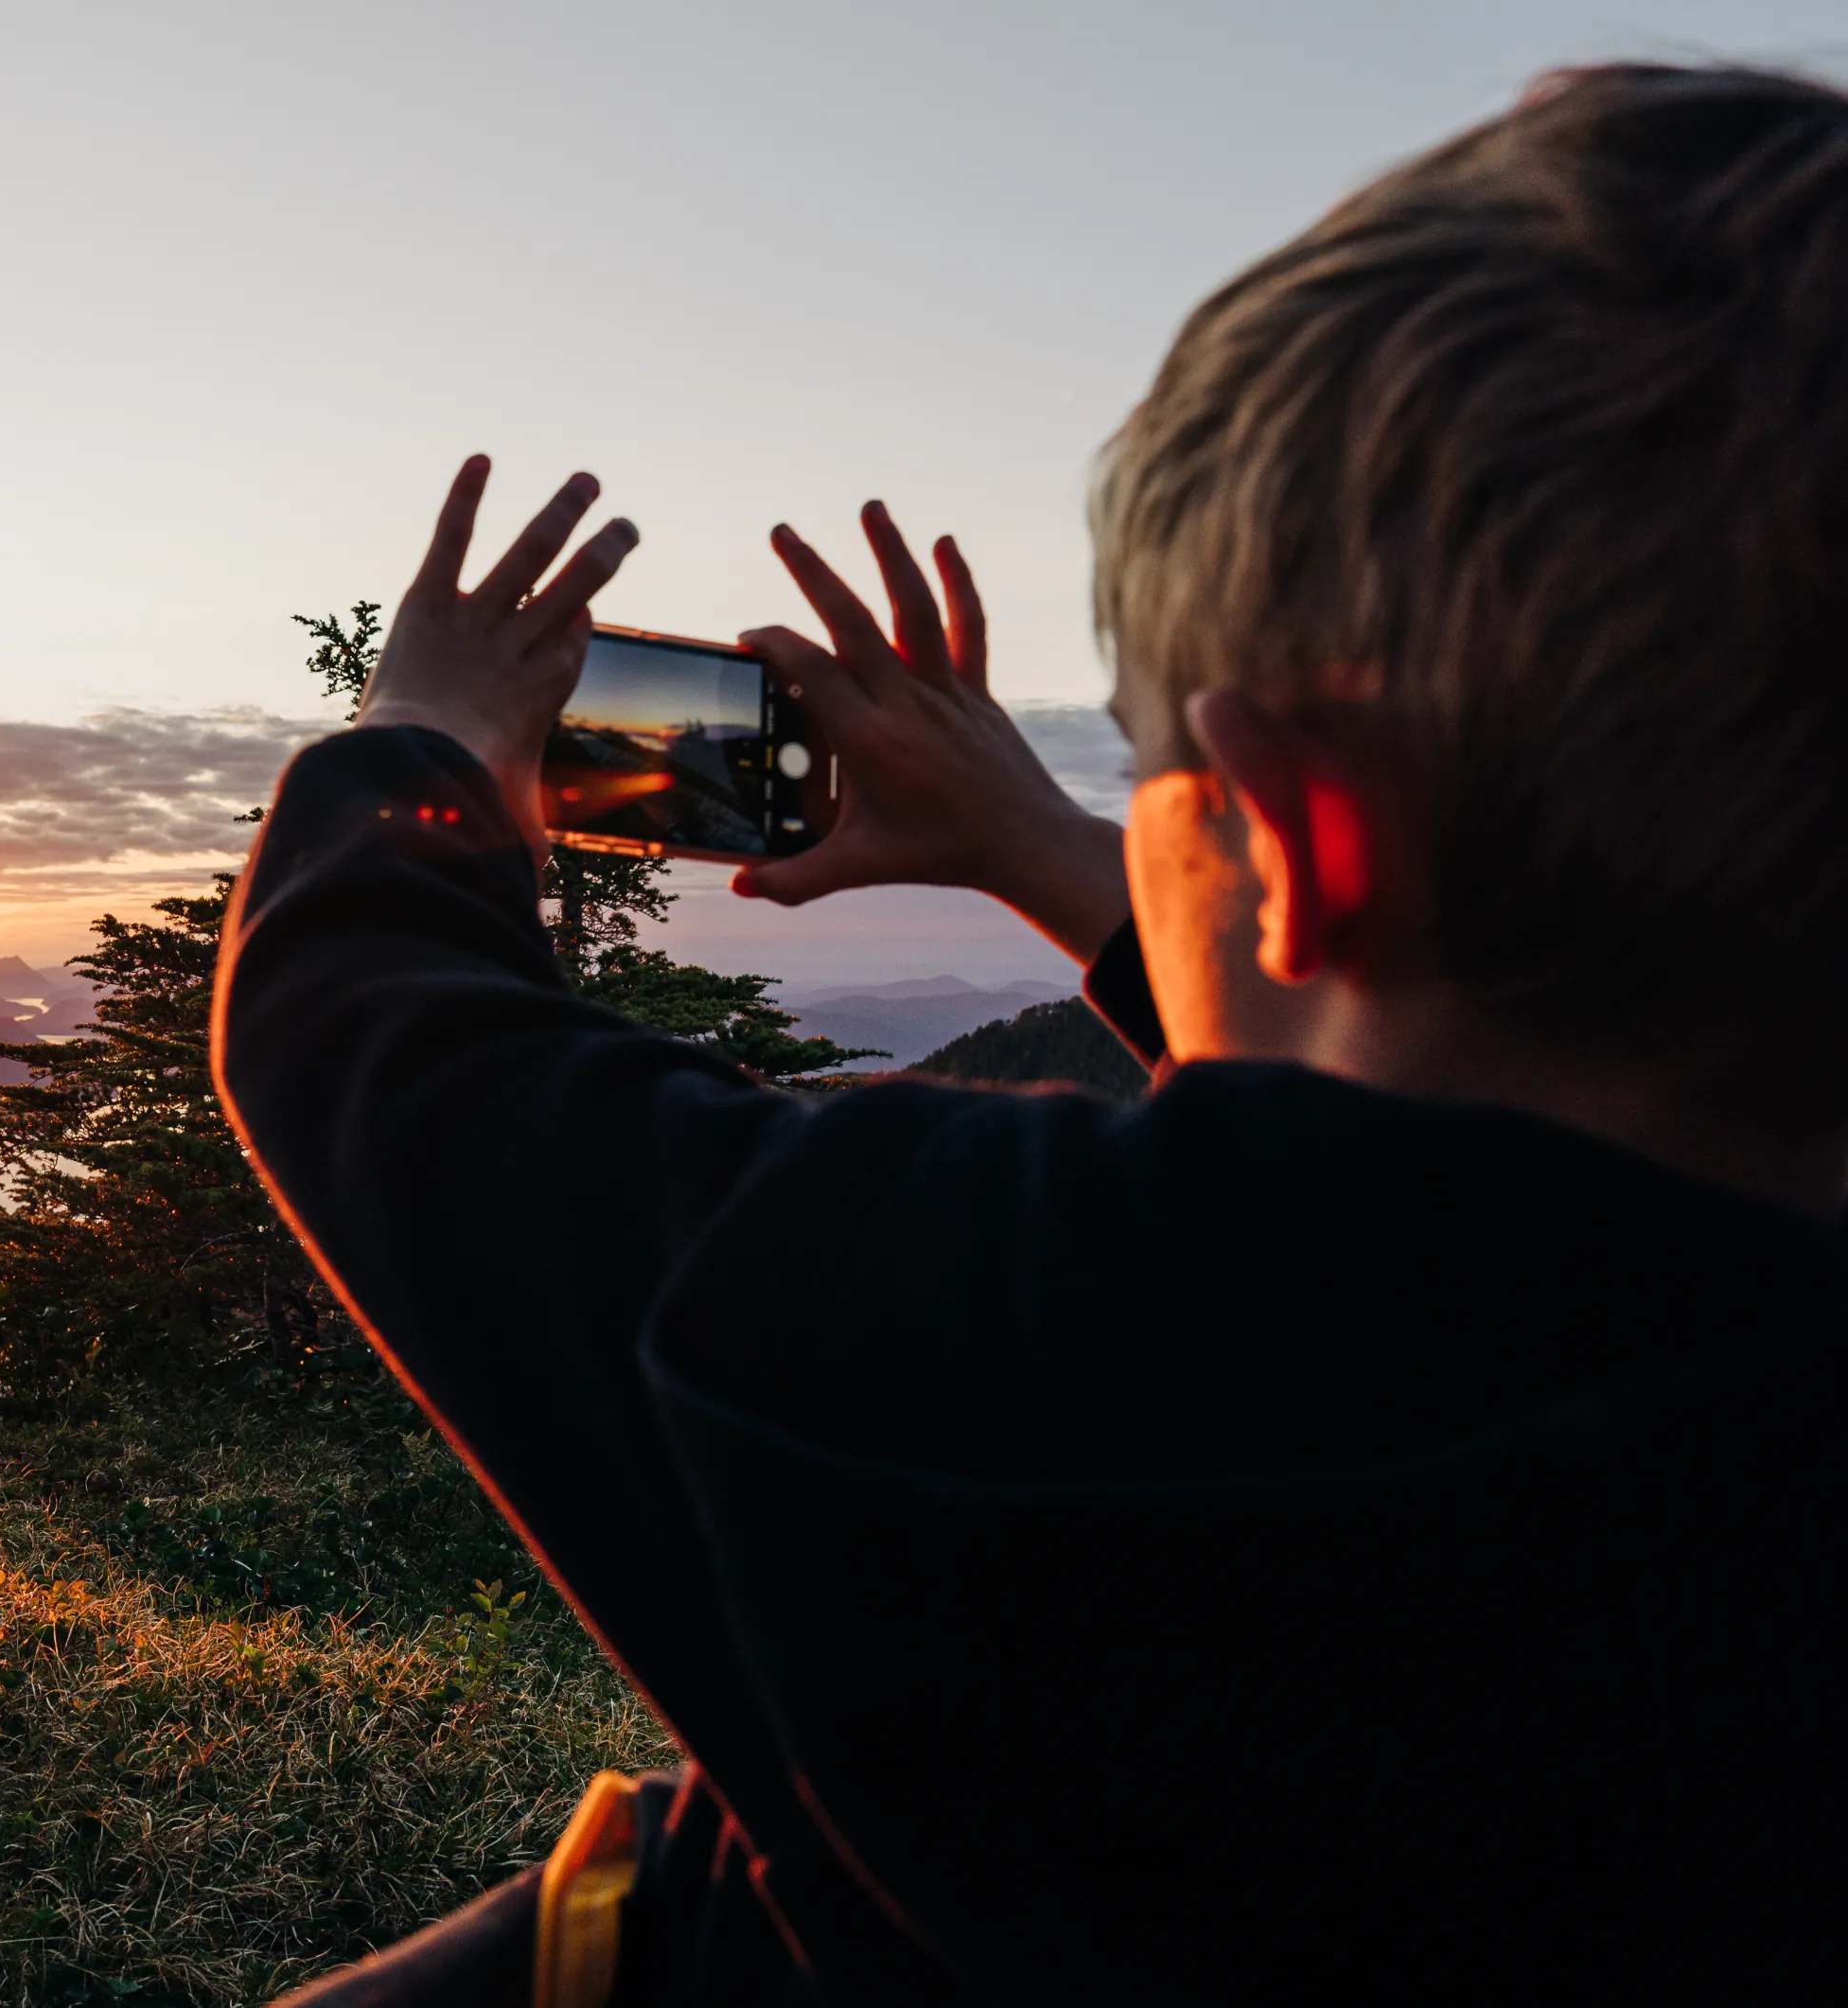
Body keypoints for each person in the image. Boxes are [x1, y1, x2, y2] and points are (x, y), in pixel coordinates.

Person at [215, 62, 1848, 2007]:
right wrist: (1058, 845)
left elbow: (375, 1051)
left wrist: (417, 752)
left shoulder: (1016, 1330)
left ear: (1302, 835)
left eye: (1160, 778)